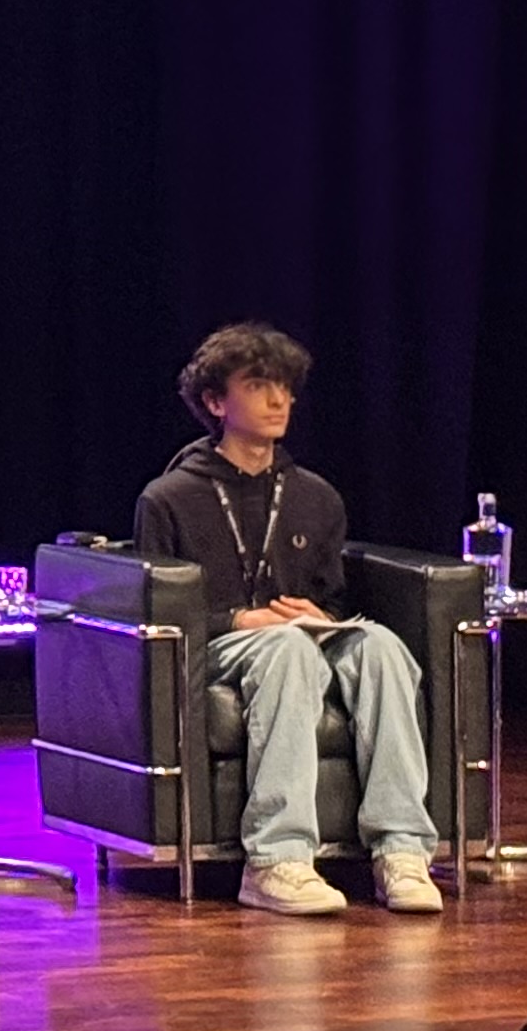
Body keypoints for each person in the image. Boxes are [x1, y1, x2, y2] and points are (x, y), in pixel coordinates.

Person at [129, 322, 444, 918]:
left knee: (380, 646)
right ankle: (276, 859)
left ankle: (402, 850)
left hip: (299, 634)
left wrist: (320, 614)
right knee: (286, 650)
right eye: (257, 386)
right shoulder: (168, 498)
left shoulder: (315, 496)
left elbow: (333, 595)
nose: (278, 401)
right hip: (219, 643)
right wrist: (238, 619)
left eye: (285, 387)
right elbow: (161, 607)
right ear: (216, 402)